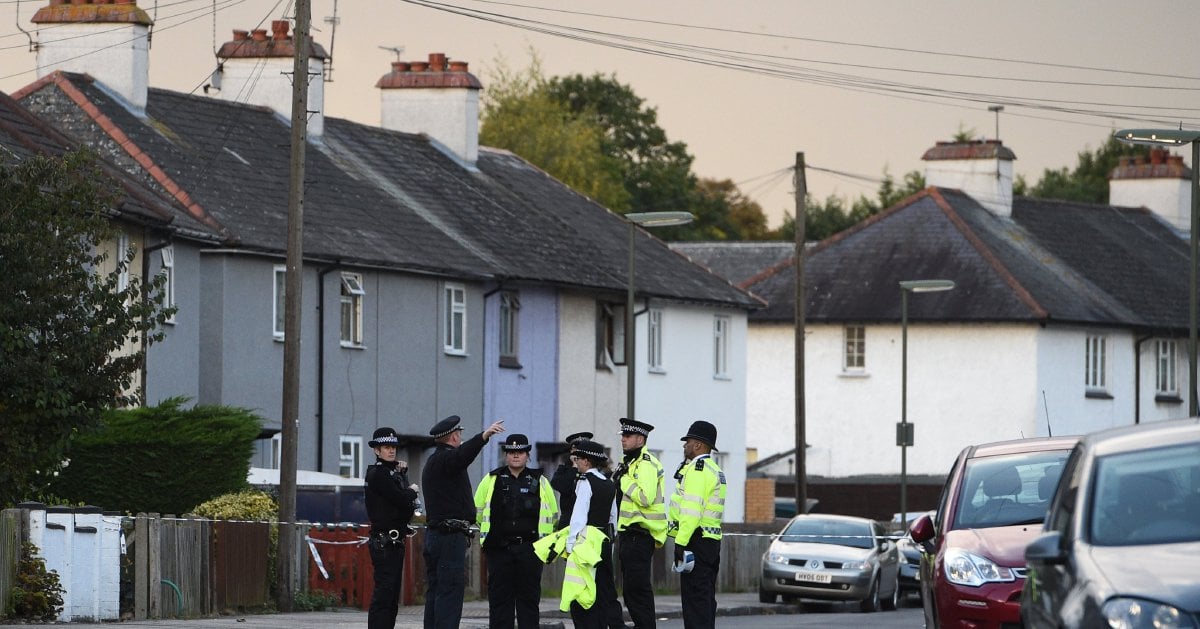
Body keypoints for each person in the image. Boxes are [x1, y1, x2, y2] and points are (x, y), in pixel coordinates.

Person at [420, 414, 505, 629]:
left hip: (436, 535)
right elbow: (462, 456)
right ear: (453, 437)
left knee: (437, 590)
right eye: (459, 434)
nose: (460, 438)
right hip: (449, 536)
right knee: (449, 591)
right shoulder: (446, 460)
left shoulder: (433, 461)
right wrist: (483, 437)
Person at [472, 434, 559, 629]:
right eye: (511, 452)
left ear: (528, 455)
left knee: (528, 601)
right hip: (499, 550)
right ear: (505, 455)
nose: (515, 456)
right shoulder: (492, 479)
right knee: (499, 601)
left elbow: (553, 515)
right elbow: (477, 512)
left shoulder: (540, 481)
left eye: (520, 452)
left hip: (530, 550)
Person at [667, 421, 726, 629]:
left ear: (699, 445)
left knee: (694, 601)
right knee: (705, 598)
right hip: (710, 542)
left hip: (696, 540)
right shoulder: (714, 469)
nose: (685, 446)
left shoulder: (697, 470)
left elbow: (692, 511)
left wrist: (680, 542)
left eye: (688, 442)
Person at [364, 427, 420, 629]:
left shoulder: (390, 473)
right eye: (386, 447)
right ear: (377, 450)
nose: (391, 451)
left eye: (393, 447)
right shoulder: (378, 474)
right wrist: (412, 490)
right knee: (384, 595)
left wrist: (402, 476)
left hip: (394, 542)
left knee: (391, 597)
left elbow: (404, 507)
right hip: (384, 542)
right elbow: (401, 498)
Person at [613, 418, 667, 629]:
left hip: (640, 535)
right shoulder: (629, 463)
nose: (623, 440)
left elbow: (645, 497)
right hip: (628, 535)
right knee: (631, 591)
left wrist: (623, 480)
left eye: (628, 436)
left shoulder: (646, 464)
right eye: (623, 436)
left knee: (637, 590)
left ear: (640, 439)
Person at [563, 439, 621, 629]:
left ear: (587, 461)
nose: (576, 462)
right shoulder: (609, 483)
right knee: (603, 589)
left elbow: (579, 517)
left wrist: (571, 545)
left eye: (578, 458)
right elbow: (613, 517)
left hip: (586, 542)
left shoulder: (586, 482)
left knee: (583, 591)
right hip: (604, 541)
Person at [550, 431, 593, 529]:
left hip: (589, 523)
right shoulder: (564, 470)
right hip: (568, 522)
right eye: (576, 449)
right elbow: (561, 486)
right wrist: (574, 467)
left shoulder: (595, 471)